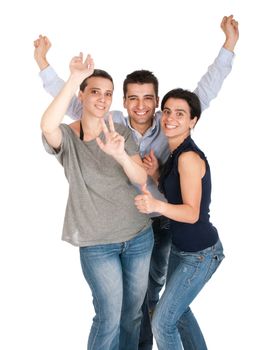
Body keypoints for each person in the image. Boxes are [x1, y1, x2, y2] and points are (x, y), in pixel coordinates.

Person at [34, 15, 238, 350]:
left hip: (167, 224)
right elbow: (75, 101)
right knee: (137, 305)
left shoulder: (170, 123)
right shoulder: (111, 122)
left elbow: (204, 92)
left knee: (154, 301)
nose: (140, 106)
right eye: (132, 98)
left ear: (156, 102)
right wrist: (45, 64)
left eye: (148, 99)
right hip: (127, 225)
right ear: (123, 102)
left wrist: (228, 46)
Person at [40, 52, 154, 350]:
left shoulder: (120, 133)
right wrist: (75, 77)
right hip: (97, 243)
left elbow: (141, 179)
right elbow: (47, 125)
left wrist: (119, 155)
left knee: (131, 316)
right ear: (82, 95)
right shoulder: (68, 137)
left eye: (108, 94)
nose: (102, 99)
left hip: (138, 236)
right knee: (108, 317)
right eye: (94, 92)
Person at [134, 87, 225, 349]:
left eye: (180, 114)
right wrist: (156, 176)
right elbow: (176, 193)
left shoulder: (187, 157)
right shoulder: (175, 154)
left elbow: (191, 213)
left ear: (193, 120)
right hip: (182, 250)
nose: (171, 118)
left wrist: (155, 205)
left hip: (200, 253)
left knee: (162, 322)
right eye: (168, 111)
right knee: (179, 312)